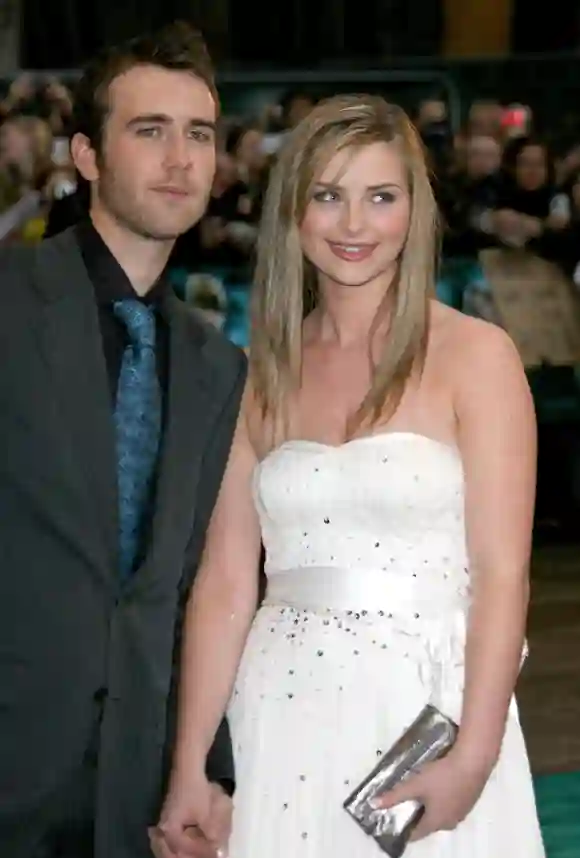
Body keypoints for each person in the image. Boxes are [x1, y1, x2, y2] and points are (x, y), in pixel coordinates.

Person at [154, 94, 545, 857]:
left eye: (380, 197)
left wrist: (474, 754)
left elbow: (505, 574)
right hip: (276, 709)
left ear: (414, 209)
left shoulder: (477, 356)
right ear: (293, 212)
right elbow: (228, 585)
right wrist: (191, 766)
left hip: (428, 712)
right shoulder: (258, 373)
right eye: (328, 196)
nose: (354, 224)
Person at [0, 21, 245, 858]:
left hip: (136, 796)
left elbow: (191, 593)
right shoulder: (7, 302)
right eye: (150, 131)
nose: (181, 158)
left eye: (200, 135)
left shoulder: (218, 367)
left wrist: (206, 774)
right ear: (87, 156)